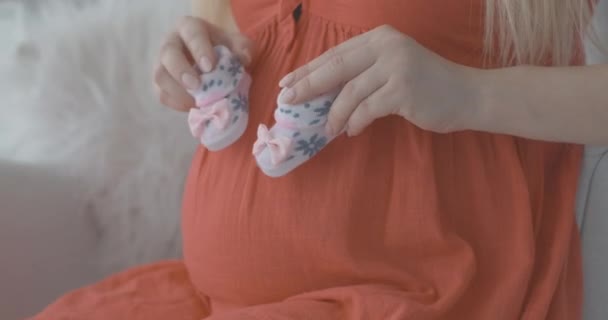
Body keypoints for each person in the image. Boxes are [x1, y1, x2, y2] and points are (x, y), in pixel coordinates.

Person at [32, 0, 606, 319]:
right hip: (205, 296)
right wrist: (191, 58)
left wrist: (469, 93)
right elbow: (229, 36)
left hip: (407, 294)